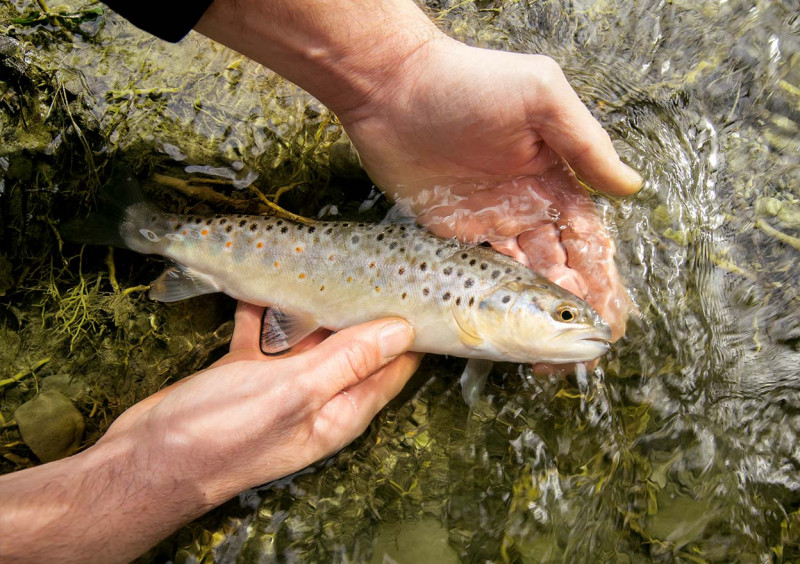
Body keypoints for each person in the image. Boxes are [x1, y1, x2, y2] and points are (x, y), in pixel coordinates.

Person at [0, 0, 642, 561]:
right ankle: (141, 226)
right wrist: (150, 474)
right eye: (563, 315)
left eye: (565, 317)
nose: (576, 325)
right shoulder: (476, 307)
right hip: (290, 259)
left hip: (320, 264)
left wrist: (399, 74)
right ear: (494, 303)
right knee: (172, 237)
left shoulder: (486, 299)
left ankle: (154, 231)